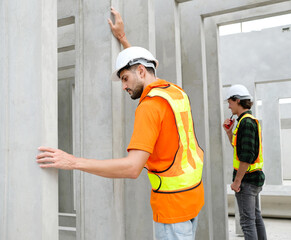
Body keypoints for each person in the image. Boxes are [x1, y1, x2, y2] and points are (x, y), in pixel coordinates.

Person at [37, 7, 204, 240]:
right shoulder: (175, 92)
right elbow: (146, 70)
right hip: (193, 198)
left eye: (124, 79)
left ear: (140, 71)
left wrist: (73, 161)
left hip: (172, 209)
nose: (124, 86)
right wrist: (124, 41)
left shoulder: (149, 107)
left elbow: (132, 168)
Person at [222, 85, 267, 240]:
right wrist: (229, 132)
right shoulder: (246, 121)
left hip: (247, 180)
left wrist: (237, 181)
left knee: (247, 222)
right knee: (255, 217)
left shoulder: (246, 123)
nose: (228, 106)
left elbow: (246, 157)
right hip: (254, 179)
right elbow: (239, 149)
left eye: (230, 102)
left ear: (238, 100)